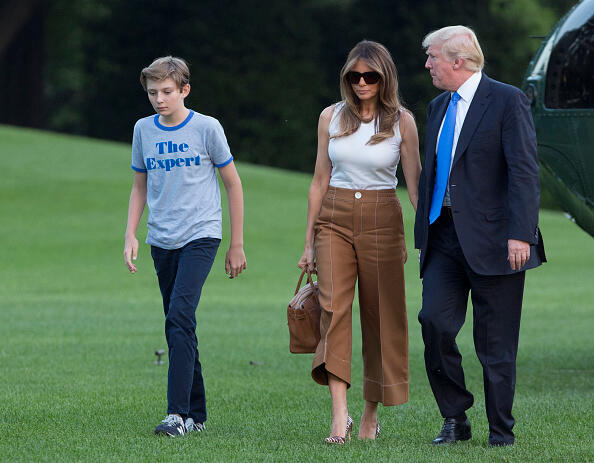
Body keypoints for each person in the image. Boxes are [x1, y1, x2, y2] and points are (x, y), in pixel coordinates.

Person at [414, 26, 546, 447]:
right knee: (433, 323)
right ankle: (455, 418)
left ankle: (500, 433)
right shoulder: (437, 106)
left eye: (433, 57)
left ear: (458, 61)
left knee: (495, 344)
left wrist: (520, 233)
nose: (428, 64)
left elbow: (525, 170)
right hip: (443, 237)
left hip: (498, 241)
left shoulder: (507, 100)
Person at [298, 40, 421, 444]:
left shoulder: (402, 121)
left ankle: (370, 414)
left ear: (385, 77)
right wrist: (308, 243)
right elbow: (318, 181)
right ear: (346, 78)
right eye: (355, 76)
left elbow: (416, 188)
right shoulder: (330, 117)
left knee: (381, 316)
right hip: (333, 217)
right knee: (332, 310)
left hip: (383, 218)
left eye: (371, 76)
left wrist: (425, 237)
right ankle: (339, 417)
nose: (362, 82)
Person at [123, 56, 246, 437]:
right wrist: (131, 233)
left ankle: (176, 415)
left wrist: (235, 243)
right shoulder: (143, 130)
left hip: (201, 235)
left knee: (178, 316)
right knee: (180, 324)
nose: (159, 99)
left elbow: (233, 184)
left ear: (184, 90)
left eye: (166, 92)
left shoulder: (207, 128)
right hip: (161, 239)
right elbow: (139, 185)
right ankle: (198, 415)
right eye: (152, 93)